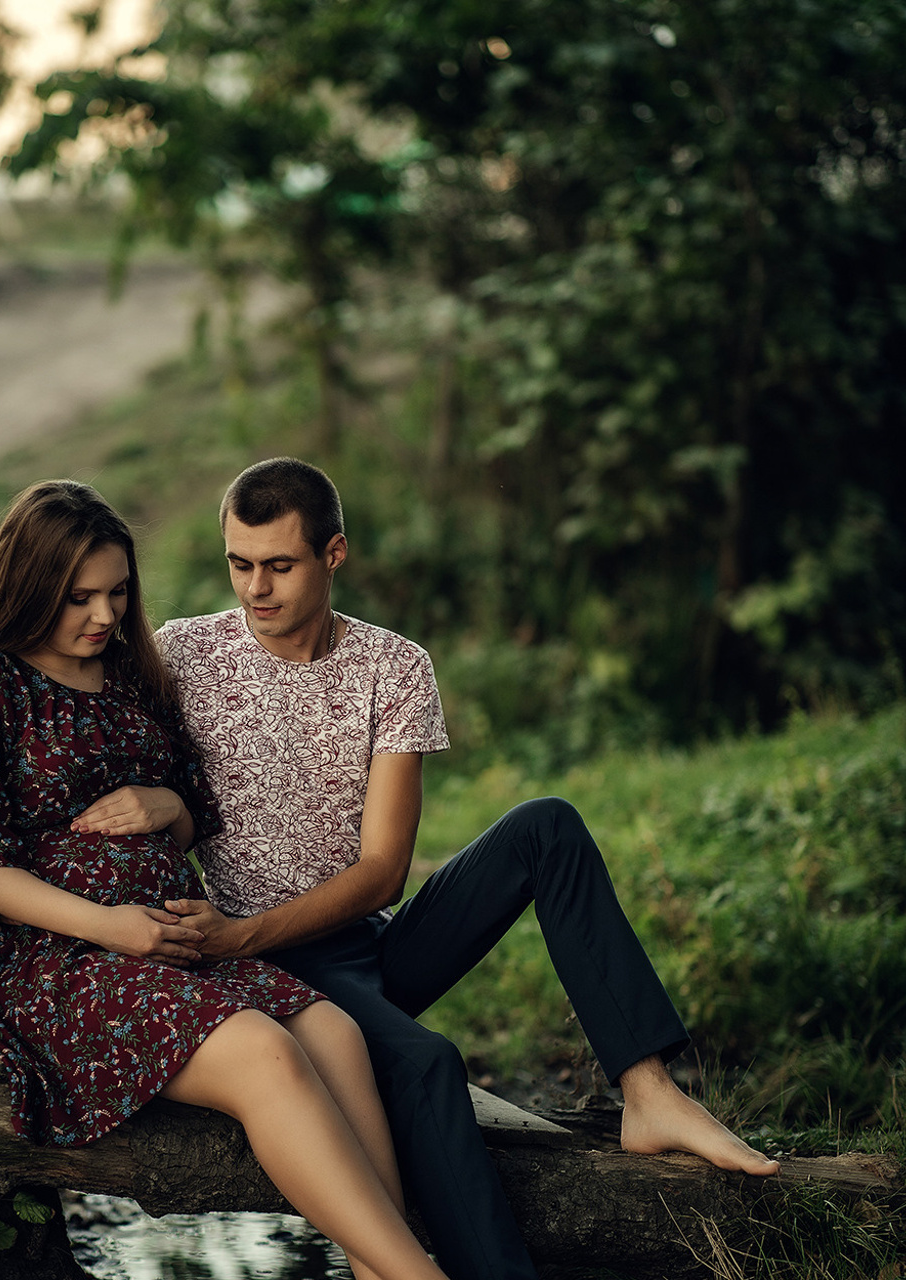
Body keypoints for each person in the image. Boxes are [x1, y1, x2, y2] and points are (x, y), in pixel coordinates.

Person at [156, 457, 782, 1280]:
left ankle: (650, 1090)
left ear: (334, 554)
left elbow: (384, 873)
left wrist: (239, 934)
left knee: (546, 827)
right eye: (240, 563)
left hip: (360, 937)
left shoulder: (394, 666)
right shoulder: (183, 654)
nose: (255, 589)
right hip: (271, 973)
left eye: (280, 565)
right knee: (426, 1063)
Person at [0, 479, 453, 1280]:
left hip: (171, 937)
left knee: (335, 1033)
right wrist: (108, 926)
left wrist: (169, 807)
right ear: (26, 591)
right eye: (77, 598)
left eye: (118, 593)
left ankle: (375, 1269)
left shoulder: (131, 675)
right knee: (266, 1053)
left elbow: (193, 807)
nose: (104, 616)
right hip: (58, 960)